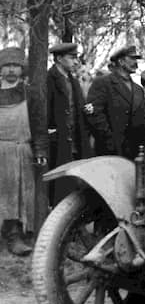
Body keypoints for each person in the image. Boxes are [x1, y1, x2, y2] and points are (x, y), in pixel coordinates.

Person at [0, 47, 44, 256]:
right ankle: (7, 233)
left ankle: (16, 235)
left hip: (23, 149)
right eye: (6, 66)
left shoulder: (30, 93)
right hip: (1, 149)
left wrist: (40, 149)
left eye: (15, 66)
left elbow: (38, 124)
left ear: (22, 69)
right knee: (5, 195)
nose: (10, 70)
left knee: (20, 195)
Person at [85, 45, 145, 160]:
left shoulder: (138, 89)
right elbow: (95, 116)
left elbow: (144, 118)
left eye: (136, 59)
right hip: (110, 150)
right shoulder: (103, 83)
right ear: (121, 61)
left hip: (135, 150)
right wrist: (109, 141)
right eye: (132, 58)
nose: (135, 63)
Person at [46, 42, 92, 205]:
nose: (75, 62)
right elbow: (43, 109)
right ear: (59, 59)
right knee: (57, 186)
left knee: (73, 183)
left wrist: (86, 109)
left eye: (76, 58)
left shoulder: (73, 80)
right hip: (57, 142)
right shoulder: (49, 79)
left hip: (74, 141)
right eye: (72, 58)